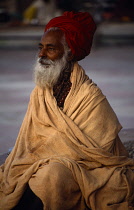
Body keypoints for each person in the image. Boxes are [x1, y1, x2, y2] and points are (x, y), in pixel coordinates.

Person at [0, 11, 134, 210]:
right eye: (41, 48)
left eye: (50, 49)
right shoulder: (40, 92)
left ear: (69, 51)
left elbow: (98, 151)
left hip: (87, 167)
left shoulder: (91, 97)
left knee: (50, 176)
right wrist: (38, 156)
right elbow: (28, 140)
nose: (41, 55)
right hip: (43, 162)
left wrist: (47, 155)